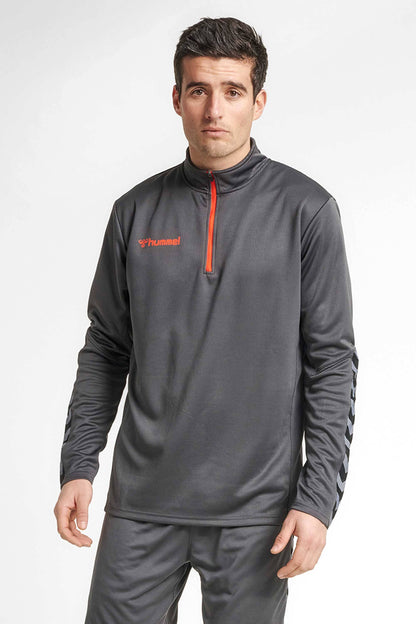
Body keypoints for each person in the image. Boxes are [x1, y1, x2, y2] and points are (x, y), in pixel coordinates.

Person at [54, 16, 359, 624]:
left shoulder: (307, 210)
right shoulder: (134, 212)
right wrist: (78, 464)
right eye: (199, 90)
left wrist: (318, 498)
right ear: (177, 99)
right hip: (141, 504)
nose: (214, 109)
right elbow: (106, 348)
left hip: (257, 514)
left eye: (233, 91)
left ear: (258, 102)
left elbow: (332, 365)